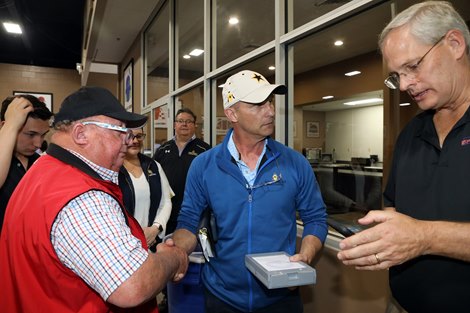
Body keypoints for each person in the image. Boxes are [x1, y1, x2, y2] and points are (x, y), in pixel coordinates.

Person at [0, 86, 188, 312]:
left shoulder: (43, 170)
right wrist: (172, 259)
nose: (128, 142)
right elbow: (132, 285)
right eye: (120, 132)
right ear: (80, 134)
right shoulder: (81, 197)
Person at [336, 2, 470, 312]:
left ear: (454, 44)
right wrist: (381, 240)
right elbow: (395, 208)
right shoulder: (412, 133)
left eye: (413, 66)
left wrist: (424, 237)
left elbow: (417, 234)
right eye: (397, 75)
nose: (406, 84)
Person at [172, 70, 328, 312]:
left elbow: (316, 219)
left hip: (281, 298)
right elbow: (189, 220)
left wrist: (306, 256)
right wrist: (177, 251)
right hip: (222, 296)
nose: (271, 111)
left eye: (270, 102)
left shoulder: (295, 163)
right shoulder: (204, 166)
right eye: (257, 104)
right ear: (231, 113)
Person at [153, 107, 210, 236]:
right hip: (167, 211)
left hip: (195, 211)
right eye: (180, 121)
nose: (184, 124)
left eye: (188, 121)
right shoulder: (163, 149)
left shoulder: (205, 150)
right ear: (174, 125)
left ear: (195, 125)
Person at [0, 94, 52, 231]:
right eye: (31, 134)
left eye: (43, 135)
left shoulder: (39, 162)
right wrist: (11, 124)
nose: (38, 143)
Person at [119, 127, 173, 252]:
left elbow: (166, 202)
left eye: (139, 136)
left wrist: (155, 229)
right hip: (124, 243)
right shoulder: (112, 167)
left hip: (151, 242)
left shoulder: (154, 166)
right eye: (130, 136)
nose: (135, 140)